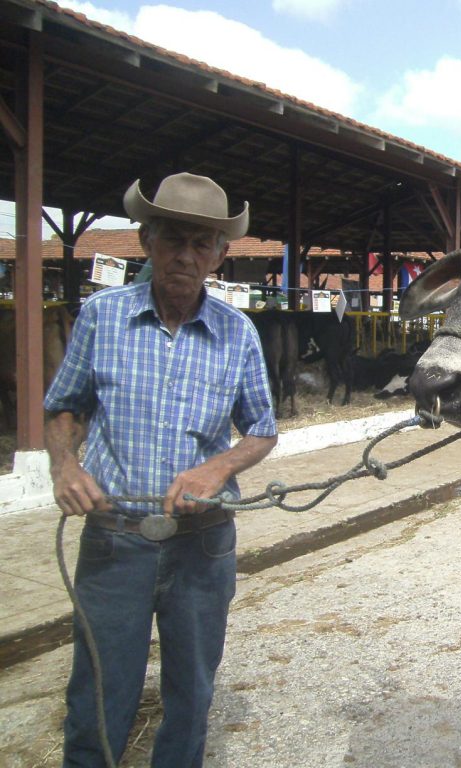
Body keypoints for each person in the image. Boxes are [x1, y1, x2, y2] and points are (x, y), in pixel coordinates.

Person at [44, 172, 278, 767]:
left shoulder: (238, 333)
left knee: (192, 690)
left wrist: (218, 469)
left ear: (221, 254)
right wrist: (65, 465)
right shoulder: (102, 316)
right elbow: (64, 405)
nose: (186, 255)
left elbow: (262, 430)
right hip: (115, 537)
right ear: (145, 240)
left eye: (202, 244)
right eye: (174, 238)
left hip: (203, 544)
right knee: (99, 688)